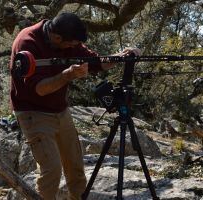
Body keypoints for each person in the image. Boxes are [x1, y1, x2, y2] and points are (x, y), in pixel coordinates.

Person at [9, 12, 141, 200]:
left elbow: (96, 62)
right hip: (33, 112)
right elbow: (39, 89)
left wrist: (120, 57)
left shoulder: (69, 41)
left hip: (60, 110)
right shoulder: (27, 43)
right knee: (51, 171)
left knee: (75, 168)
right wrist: (67, 75)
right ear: (56, 37)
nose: (75, 48)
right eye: (71, 44)